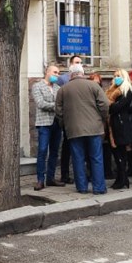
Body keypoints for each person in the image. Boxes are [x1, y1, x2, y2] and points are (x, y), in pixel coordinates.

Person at [55, 64, 109, 194]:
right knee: (96, 158)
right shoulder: (94, 86)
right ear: (82, 73)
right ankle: (99, 187)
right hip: (94, 128)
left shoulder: (63, 89)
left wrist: (65, 124)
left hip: (73, 129)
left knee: (77, 158)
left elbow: (58, 111)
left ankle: (82, 187)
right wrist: (101, 118)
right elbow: (104, 104)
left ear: (70, 74)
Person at [31, 65, 64, 190]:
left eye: (59, 73)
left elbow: (62, 103)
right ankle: (40, 179)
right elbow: (41, 103)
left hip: (57, 122)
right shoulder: (37, 86)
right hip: (44, 123)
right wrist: (57, 106)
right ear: (47, 72)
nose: (57, 75)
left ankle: (51, 178)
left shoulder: (58, 88)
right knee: (43, 151)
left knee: (55, 152)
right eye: (55, 72)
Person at [106, 68, 132, 189]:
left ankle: (122, 179)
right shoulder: (113, 90)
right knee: (118, 154)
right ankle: (122, 179)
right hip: (114, 125)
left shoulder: (126, 91)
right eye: (114, 75)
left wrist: (111, 105)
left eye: (119, 75)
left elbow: (114, 108)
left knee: (120, 153)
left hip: (121, 125)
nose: (116, 77)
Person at [58, 55, 84, 183]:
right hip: (68, 118)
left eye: (80, 62)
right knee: (67, 148)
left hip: (81, 118)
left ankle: (79, 174)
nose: (79, 64)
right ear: (70, 65)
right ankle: (65, 174)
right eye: (76, 62)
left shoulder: (83, 78)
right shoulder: (63, 79)